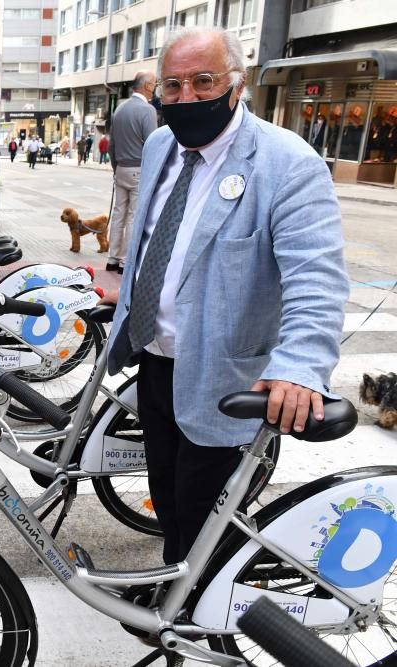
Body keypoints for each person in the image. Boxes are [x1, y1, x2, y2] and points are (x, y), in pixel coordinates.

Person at [101, 27, 347, 565]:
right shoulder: (162, 143)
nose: (186, 97)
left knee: (203, 515)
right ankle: (177, 591)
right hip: (157, 359)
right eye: (173, 85)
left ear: (236, 85)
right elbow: (152, 240)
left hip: (226, 375)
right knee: (165, 493)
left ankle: (199, 621)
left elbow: (318, 278)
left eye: (203, 81)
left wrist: (301, 366)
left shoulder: (288, 163)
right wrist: (127, 294)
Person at [107, 70, 159, 273]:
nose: (155, 88)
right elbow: (154, 144)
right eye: (154, 84)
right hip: (139, 169)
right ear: (147, 86)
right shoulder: (147, 111)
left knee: (118, 213)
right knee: (133, 216)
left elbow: (112, 145)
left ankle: (112, 258)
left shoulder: (119, 109)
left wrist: (116, 168)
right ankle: (124, 262)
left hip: (120, 168)